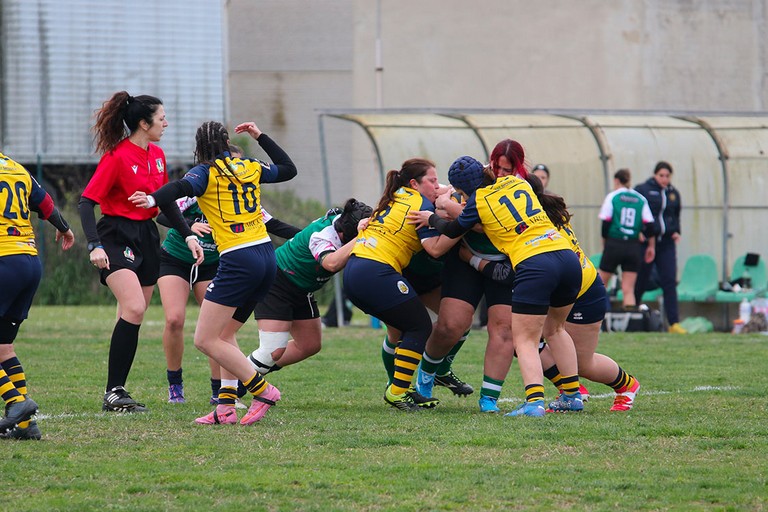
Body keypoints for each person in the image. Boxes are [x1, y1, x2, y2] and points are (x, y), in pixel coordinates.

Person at [129, 120, 297, 426]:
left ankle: (263, 390)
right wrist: (260, 136)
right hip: (265, 255)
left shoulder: (206, 171)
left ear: (200, 146)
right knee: (225, 334)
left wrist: (152, 198)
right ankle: (225, 407)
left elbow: (178, 189)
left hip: (239, 258)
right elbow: (288, 169)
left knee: (205, 339)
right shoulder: (249, 165)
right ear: (226, 142)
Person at [409, 154, 584, 418]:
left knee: (514, 335)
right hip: (558, 258)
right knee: (453, 325)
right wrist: (444, 201)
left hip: (517, 262)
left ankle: (513, 400)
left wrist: (438, 214)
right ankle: (571, 394)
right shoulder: (518, 184)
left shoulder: (480, 199)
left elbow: (468, 225)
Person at [464, 172, 641, 413]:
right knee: (528, 339)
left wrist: (472, 258)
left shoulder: (530, 226)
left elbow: (511, 273)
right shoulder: (535, 217)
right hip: (560, 285)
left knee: (580, 362)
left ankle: (626, 385)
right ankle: (569, 390)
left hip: (584, 293)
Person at [79, 91, 200, 413]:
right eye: (161, 118)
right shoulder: (116, 157)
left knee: (134, 312)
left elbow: (166, 202)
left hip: (146, 236)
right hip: (116, 235)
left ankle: (116, 391)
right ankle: (113, 391)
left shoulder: (157, 154)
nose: (166, 123)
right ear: (144, 124)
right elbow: (86, 202)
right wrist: (94, 244)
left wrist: (187, 235)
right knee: (133, 307)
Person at [343, 158, 460, 411]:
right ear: (414, 183)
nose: (436, 185)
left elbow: (438, 193)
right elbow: (434, 248)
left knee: (408, 327)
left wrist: (445, 194)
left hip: (356, 270)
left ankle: (402, 388)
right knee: (419, 326)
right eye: (431, 181)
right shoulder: (420, 204)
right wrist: (460, 226)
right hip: (375, 271)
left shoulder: (396, 195)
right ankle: (397, 392)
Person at [246, 199, 372, 376]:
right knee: (272, 350)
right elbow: (331, 263)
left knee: (309, 345)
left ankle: (252, 373)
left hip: (302, 288)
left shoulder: (342, 221)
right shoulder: (323, 237)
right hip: (277, 281)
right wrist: (362, 236)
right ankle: (234, 383)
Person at [0, 152, 75, 439]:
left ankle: (16, 402)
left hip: (4, 261)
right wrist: (65, 229)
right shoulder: (16, 168)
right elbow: (46, 205)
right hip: (29, 262)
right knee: (4, 346)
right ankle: (25, 426)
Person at [634, 161, 686, 334]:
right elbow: (636, 211)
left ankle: (673, 323)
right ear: (655, 175)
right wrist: (638, 231)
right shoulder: (643, 190)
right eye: (661, 175)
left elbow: (675, 215)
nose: (664, 179)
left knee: (669, 280)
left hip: (666, 244)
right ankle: (634, 314)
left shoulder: (673, 194)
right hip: (647, 242)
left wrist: (676, 231)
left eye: (667, 176)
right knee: (641, 278)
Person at [597, 168, 655, 310]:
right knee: (628, 289)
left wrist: (605, 244)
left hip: (614, 243)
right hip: (633, 246)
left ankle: (598, 317)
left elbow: (605, 224)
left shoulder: (613, 197)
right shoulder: (640, 199)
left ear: (616, 180)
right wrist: (644, 237)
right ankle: (631, 319)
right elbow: (650, 226)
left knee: (600, 284)